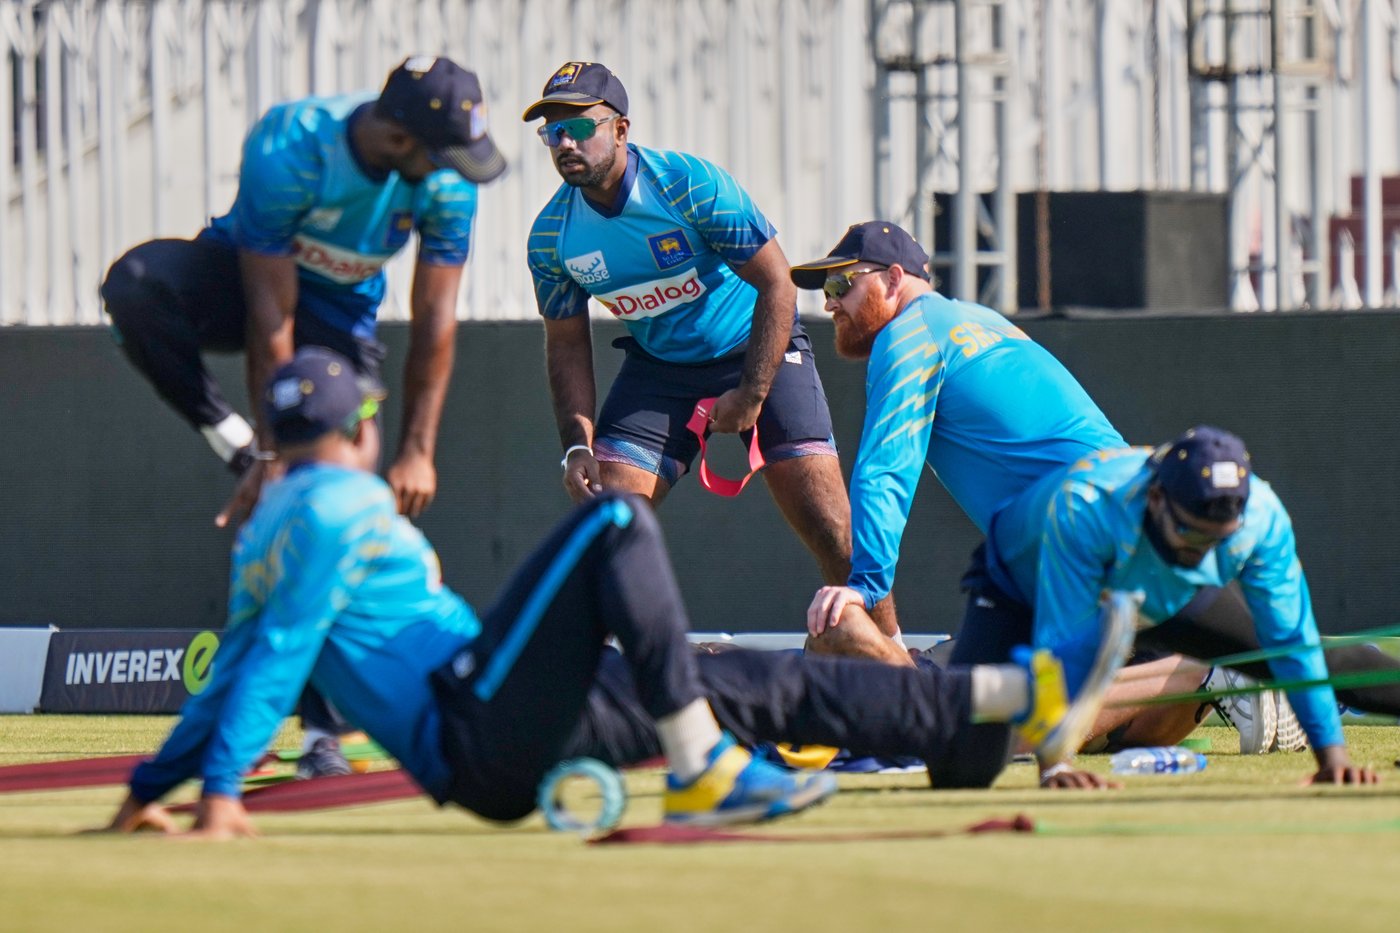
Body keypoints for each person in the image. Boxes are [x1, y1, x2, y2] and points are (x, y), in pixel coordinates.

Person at [104, 348, 1133, 837]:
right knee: (612, 518)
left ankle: (1003, 699)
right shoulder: (331, 508)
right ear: (362, 427)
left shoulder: (275, 526)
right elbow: (278, 656)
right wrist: (222, 802)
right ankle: (696, 766)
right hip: (474, 717)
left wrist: (155, 790)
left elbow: (239, 670)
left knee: (750, 686)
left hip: (511, 716)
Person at [520, 62, 898, 641]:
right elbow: (567, 344)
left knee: (834, 534)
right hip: (659, 369)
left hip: (755, 348)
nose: (565, 141)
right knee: (607, 530)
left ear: (621, 129)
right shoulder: (552, 237)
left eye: (578, 124)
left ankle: (901, 677)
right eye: (552, 131)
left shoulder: (689, 185)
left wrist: (752, 392)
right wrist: (576, 444)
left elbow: (777, 284)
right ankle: (626, 697)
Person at [101, 55, 506, 527]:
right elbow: (270, 315)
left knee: (341, 470)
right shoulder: (293, 147)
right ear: (399, 139)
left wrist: (417, 452)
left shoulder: (450, 185)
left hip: (338, 310)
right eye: (442, 159)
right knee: (135, 288)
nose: (452, 173)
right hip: (246, 283)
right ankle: (236, 444)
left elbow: (435, 317)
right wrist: (273, 455)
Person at [971, 426, 1380, 786]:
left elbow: (1292, 641)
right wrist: (1055, 766)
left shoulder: (1261, 516)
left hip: (1161, 590)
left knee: (1321, 658)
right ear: (1155, 499)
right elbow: (1060, 649)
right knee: (968, 760)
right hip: (1021, 588)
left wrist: (1333, 758)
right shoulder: (1086, 508)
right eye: (1191, 534)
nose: (1202, 554)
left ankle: (1207, 670)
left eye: (1216, 541)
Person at [791, 221, 1123, 664]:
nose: (830, 302)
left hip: (1078, 541)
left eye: (841, 282)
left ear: (893, 278)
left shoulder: (907, 335)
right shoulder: (982, 318)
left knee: (840, 638)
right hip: (1131, 517)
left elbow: (887, 468)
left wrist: (866, 585)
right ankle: (1192, 669)